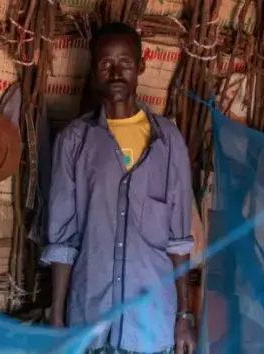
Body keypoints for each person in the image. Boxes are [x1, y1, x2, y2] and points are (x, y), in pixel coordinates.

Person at [41, 22, 197, 354]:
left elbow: (179, 240)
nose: (116, 73)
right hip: (90, 319)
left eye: (125, 62)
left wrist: (184, 315)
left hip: (153, 324)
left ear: (140, 66)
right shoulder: (74, 142)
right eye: (105, 64)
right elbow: (63, 239)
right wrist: (57, 316)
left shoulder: (168, 141)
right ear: (94, 70)